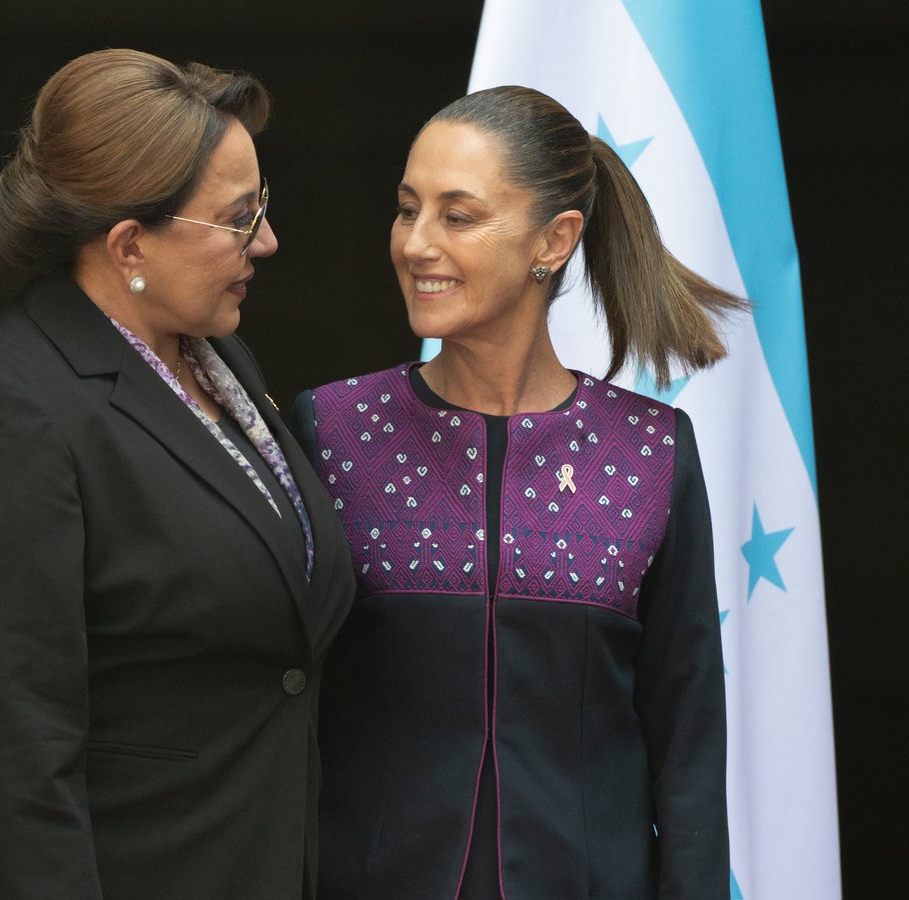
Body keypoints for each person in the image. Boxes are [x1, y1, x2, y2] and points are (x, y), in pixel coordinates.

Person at [0, 49, 354, 899]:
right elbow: (7, 765)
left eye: (261, 205)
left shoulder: (220, 359)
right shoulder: (3, 417)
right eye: (238, 216)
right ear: (127, 245)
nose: (266, 239)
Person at [291, 85, 744, 899]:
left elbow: (687, 745)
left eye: (457, 216)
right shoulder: (332, 430)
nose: (416, 243)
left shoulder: (648, 452)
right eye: (406, 209)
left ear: (555, 239)